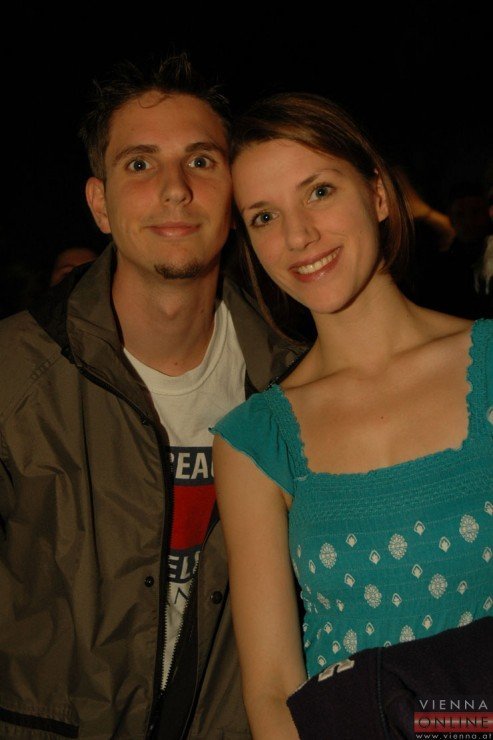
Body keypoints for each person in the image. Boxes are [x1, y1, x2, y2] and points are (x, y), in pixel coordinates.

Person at [0, 57, 303, 738]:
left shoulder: (296, 385)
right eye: (140, 164)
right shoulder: (14, 376)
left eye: (201, 161)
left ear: (235, 192)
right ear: (100, 204)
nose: (174, 189)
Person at [211, 93, 493, 738]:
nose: (297, 236)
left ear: (379, 195)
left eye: (319, 192)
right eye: (263, 216)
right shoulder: (256, 439)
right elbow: (272, 692)